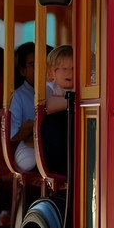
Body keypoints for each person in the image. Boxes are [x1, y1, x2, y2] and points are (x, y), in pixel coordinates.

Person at [40, 45, 74, 177]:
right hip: (56, 140)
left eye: (73, 68)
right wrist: (76, 100)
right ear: (51, 73)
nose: (69, 73)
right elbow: (49, 106)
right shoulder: (49, 88)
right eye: (64, 69)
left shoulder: (82, 87)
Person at [8, 43, 38, 172]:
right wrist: (32, 126)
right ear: (23, 70)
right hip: (27, 151)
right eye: (32, 65)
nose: (39, 68)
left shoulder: (54, 91)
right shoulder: (18, 96)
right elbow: (13, 135)